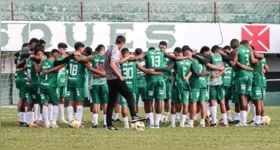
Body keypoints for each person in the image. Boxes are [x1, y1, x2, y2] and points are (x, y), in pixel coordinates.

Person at [104, 35, 146, 130]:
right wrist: (120, 76)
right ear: (122, 43)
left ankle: (109, 125)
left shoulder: (109, 49)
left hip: (110, 79)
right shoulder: (115, 49)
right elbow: (112, 64)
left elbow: (111, 63)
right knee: (129, 95)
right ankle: (134, 115)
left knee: (111, 102)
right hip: (115, 78)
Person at [39, 49, 73, 128]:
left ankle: (47, 123)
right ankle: (53, 123)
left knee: (45, 103)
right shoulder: (54, 62)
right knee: (55, 103)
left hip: (42, 85)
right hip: (51, 86)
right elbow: (58, 67)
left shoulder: (44, 62)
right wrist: (67, 60)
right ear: (56, 56)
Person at [25, 44, 44, 128]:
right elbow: (37, 70)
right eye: (40, 54)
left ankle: (29, 122)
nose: (41, 56)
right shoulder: (35, 61)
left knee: (30, 102)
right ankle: (40, 120)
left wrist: (28, 77)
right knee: (41, 102)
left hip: (30, 83)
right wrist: (41, 61)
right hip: (36, 83)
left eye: (41, 54)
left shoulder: (29, 60)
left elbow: (25, 67)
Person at [89, 45, 108, 128]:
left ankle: (95, 123)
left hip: (95, 84)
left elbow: (85, 63)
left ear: (97, 50)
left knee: (95, 103)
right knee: (105, 104)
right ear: (104, 50)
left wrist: (96, 74)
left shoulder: (92, 57)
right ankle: (105, 123)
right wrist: (102, 74)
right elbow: (107, 72)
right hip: (104, 83)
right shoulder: (107, 58)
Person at [158, 41, 172, 124]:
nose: (162, 49)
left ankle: (166, 117)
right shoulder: (156, 57)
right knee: (158, 100)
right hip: (158, 80)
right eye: (160, 47)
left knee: (167, 100)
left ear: (166, 48)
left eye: (163, 47)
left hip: (166, 82)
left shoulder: (169, 57)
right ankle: (157, 118)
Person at [56, 42, 69, 123]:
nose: (64, 51)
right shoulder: (56, 57)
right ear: (59, 49)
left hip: (64, 81)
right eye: (63, 49)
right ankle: (52, 118)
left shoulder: (65, 57)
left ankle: (62, 118)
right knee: (54, 100)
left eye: (65, 49)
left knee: (62, 99)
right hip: (56, 81)